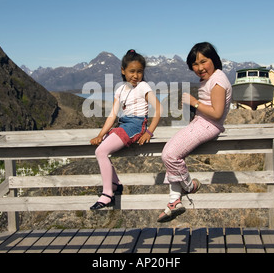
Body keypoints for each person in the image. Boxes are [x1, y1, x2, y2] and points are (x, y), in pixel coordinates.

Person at [158, 42, 232, 222]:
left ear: (213, 59)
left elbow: (216, 113)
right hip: (201, 122)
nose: (199, 68)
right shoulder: (211, 79)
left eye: (204, 62)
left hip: (208, 125)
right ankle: (174, 201)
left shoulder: (218, 81)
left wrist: (194, 102)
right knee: (173, 153)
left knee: (169, 154)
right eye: (195, 64)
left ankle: (190, 186)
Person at [90, 49, 162, 210]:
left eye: (139, 72)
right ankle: (115, 184)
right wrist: (100, 135)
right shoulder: (120, 90)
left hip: (136, 125)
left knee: (100, 152)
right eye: (131, 71)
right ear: (123, 71)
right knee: (102, 148)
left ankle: (107, 193)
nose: (135, 75)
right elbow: (112, 115)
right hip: (123, 124)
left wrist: (149, 132)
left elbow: (159, 109)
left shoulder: (143, 86)